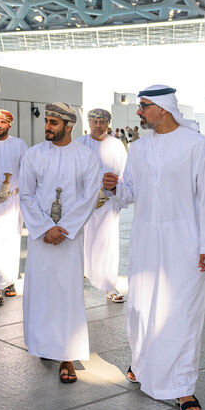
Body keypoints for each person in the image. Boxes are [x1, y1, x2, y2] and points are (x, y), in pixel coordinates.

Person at [111, 85, 205, 410]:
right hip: (146, 243)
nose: (139, 112)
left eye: (144, 107)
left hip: (184, 245)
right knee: (142, 309)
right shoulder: (139, 148)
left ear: (163, 108)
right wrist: (113, 186)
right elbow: (129, 193)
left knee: (181, 313)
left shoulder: (195, 145)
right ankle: (141, 366)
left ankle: (182, 386)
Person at [20, 102, 100, 384]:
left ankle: (67, 355)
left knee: (67, 292)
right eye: (47, 121)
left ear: (69, 126)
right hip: (42, 237)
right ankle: (44, 344)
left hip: (69, 238)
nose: (47, 127)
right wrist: (44, 228)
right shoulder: (33, 154)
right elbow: (26, 195)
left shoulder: (87, 157)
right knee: (42, 290)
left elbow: (89, 197)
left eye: (54, 123)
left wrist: (63, 229)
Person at [76, 108, 127, 302]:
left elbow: (124, 173)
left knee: (108, 243)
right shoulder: (80, 144)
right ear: (89, 122)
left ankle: (108, 285)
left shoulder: (116, 145)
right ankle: (79, 276)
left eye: (102, 122)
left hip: (108, 203)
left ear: (108, 123)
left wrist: (118, 193)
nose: (98, 125)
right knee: (80, 242)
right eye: (95, 122)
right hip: (84, 203)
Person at [0, 109, 27, 305]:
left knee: (11, 240)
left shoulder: (18, 145)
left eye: (3, 122)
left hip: (12, 202)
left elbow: (27, 173)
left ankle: (9, 281)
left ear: (10, 124)